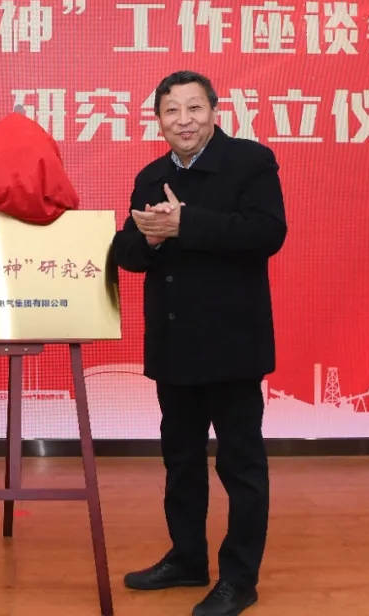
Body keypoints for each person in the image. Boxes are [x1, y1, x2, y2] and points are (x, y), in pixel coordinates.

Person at [109, 70, 287, 616]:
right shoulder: (151, 176)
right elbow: (127, 253)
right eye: (171, 111)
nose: (183, 121)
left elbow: (267, 233)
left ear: (214, 111)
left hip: (232, 344)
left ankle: (239, 579)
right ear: (158, 120)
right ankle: (187, 558)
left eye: (194, 108)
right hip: (174, 344)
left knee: (240, 467)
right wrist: (148, 237)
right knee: (181, 461)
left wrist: (187, 224)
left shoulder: (251, 161)